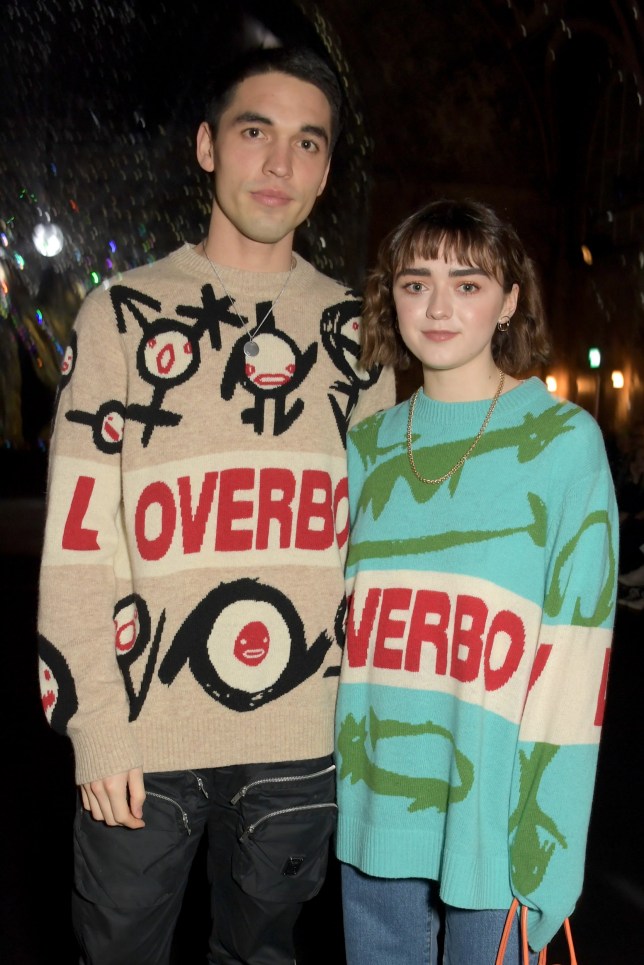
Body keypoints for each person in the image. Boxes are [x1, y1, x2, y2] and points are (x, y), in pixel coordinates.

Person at [37, 45, 395, 965]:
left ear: (324, 168)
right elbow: (80, 545)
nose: (280, 164)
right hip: (143, 732)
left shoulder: (361, 337)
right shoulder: (119, 316)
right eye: (254, 132)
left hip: (304, 738)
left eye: (307, 143)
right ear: (207, 148)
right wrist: (95, 728)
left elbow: (388, 549)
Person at [334, 198, 618, 964]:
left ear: (509, 301)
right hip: (372, 813)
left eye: (467, 284)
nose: (437, 305)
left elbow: (576, 658)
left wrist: (548, 843)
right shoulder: (367, 447)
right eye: (415, 281)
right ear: (389, 297)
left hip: (497, 823)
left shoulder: (565, 445)